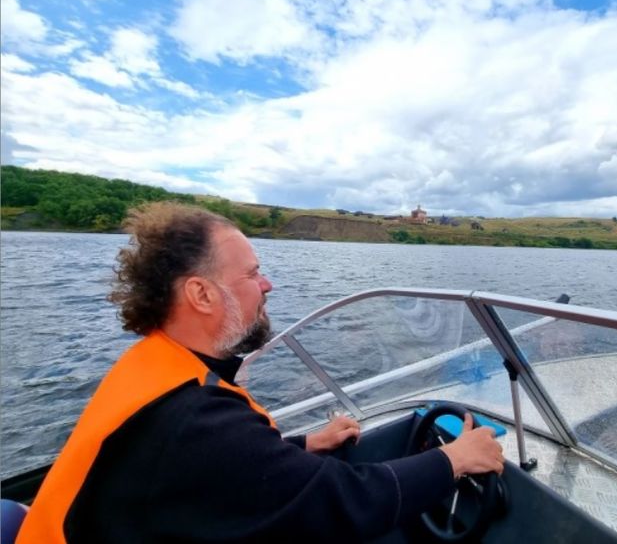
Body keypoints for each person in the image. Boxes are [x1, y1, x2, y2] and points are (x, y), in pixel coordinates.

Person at [18, 202, 504, 543]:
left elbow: (210, 472)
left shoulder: (156, 364)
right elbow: (344, 502)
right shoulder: (196, 419)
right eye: (252, 274)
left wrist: (304, 445)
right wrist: (454, 459)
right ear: (201, 294)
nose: (268, 284)